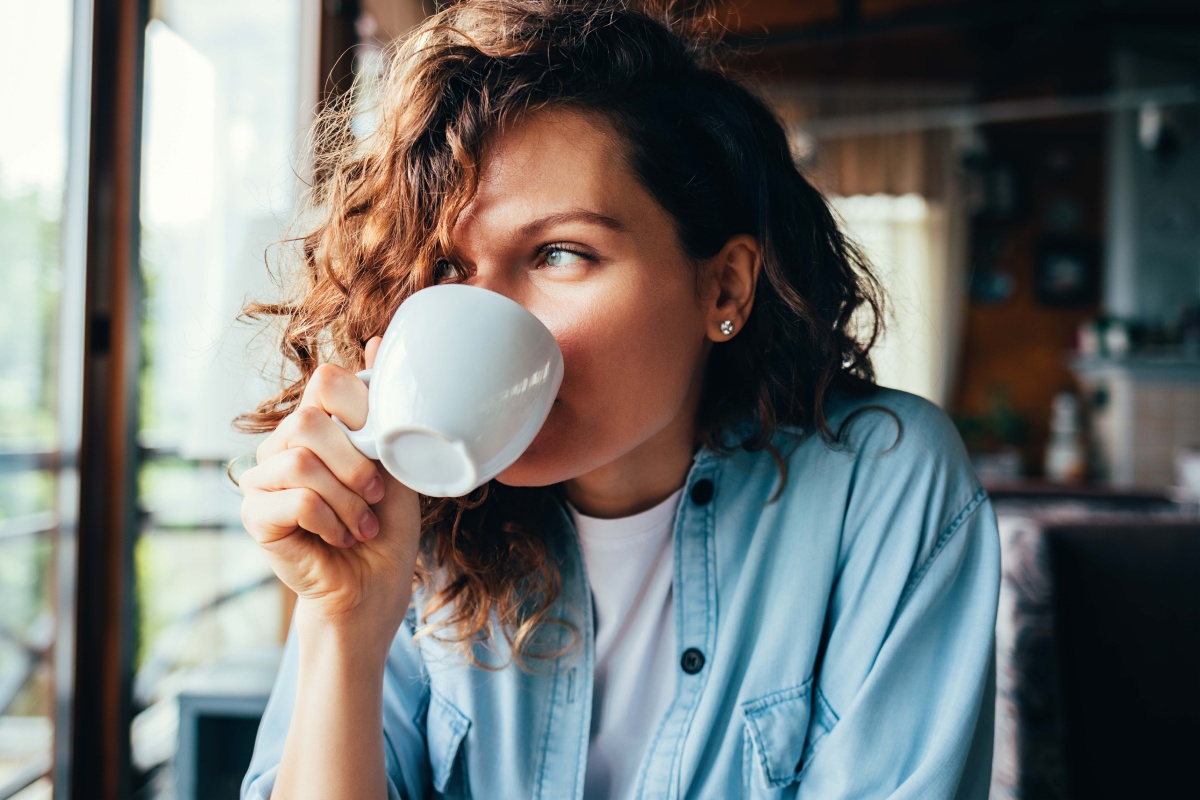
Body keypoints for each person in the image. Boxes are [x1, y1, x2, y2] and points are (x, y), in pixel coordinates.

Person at [236, 1, 1001, 798]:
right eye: (448, 268)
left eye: (560, 252)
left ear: (723, 286)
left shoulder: (878, 482)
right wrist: (344, 625)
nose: (485, 314)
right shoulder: (403, 513)